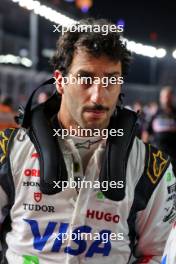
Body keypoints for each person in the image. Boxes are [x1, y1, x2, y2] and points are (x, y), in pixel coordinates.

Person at [0, 18, 175, 264]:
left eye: (111, 80)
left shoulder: (153, 166)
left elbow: (159, 253)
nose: (98, 95)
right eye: (85, 78)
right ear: (60, 81)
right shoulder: (8, 150)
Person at [143, 86, 176, 158]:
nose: (166, 99)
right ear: (161, 98)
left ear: (172, 97)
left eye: (168, 96)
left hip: (173, 153)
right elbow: (146, 132)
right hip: (157, 153)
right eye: (164, 97)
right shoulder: (154, 113)